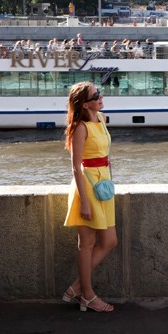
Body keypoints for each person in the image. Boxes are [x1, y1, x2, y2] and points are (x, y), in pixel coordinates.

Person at [62, 81, 117, 313]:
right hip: (87, 186)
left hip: (103, 185)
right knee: (87, 244)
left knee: (110, 241)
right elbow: (76, 166)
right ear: (85, 104)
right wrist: (84, 201)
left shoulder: (102, 119)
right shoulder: (80, 128)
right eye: (96, 95)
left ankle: (76, 288)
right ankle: (87, 295)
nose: (100, 96)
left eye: (99, 92)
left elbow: (104, 153)